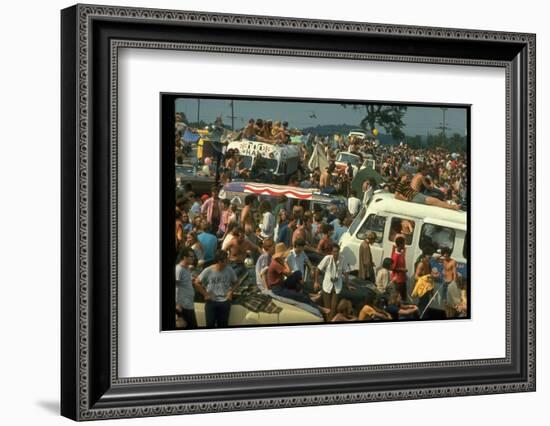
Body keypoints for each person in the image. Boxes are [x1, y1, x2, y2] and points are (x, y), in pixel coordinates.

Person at [267, 243, 323, 309]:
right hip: (277, 288)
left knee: (298, 273)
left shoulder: (278, 261)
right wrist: (284, 263)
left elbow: (290, 273)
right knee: (297, 295)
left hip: (281, 284)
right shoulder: (275, 263)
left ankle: (306, 293)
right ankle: (315, 304)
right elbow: (288, 272)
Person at [195, 250, 239, 328]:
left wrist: (230, 292)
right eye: (226, 260)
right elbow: (196, 282)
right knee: (210, 325)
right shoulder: (208, 270)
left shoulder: (229, 270)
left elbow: (236, 282)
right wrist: (205, 294)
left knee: (223, 326)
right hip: (211, 302)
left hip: (225, 302)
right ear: (219, 261)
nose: (228, 261)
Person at [314, 243, 352, 320]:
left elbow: (346, 273)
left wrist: (348, 285)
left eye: (337, 251)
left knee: (333, 308)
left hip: (337, 285)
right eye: (334, 251)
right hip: (327, 285)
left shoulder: (342, 258)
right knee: (327, 308)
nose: (336, 253)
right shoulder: (327, 258)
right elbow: (318, 269)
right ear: (331, 252)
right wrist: (316, 282)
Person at [395, 173, 460, 210]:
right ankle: (453, 207)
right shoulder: (401, 183)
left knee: (435, 200)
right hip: (414, 196)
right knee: (435, 201)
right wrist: (405, 199)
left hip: (417, 195)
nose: (407, 177)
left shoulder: (407, 182)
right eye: (406, 176)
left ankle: (452, 206)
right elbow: (396, 195)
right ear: (402, 177)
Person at [174, 247, 198, 329]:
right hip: (182, 305)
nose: (193, 258)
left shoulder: (187, 268)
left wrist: (191, 278)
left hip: (189, 304)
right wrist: (177, 304)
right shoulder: (178, 269)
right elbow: (175, 287)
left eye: (193, 256)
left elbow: (184, 282)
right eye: (191, 256)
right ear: (184, 257)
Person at [390, 236, 408, 302]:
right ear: (400, 244)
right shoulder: (396, 255)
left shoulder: (401, 254)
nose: (404, 245)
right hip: (397, 280)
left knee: (403, 298)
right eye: (403, 243)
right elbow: (392, 268)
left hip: (402, 279)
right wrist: (402, 270)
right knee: (397, 298)